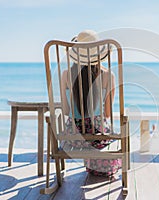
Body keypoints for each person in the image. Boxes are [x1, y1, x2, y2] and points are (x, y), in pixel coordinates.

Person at [60, 30, 121, 176]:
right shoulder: (108, 75)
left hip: (73, 137)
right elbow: (107, 114)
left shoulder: (66, 74)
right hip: (98, 137)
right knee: (113, 133)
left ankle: (93, 164)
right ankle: (99, 165)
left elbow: (66, 110)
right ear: (98, 54)